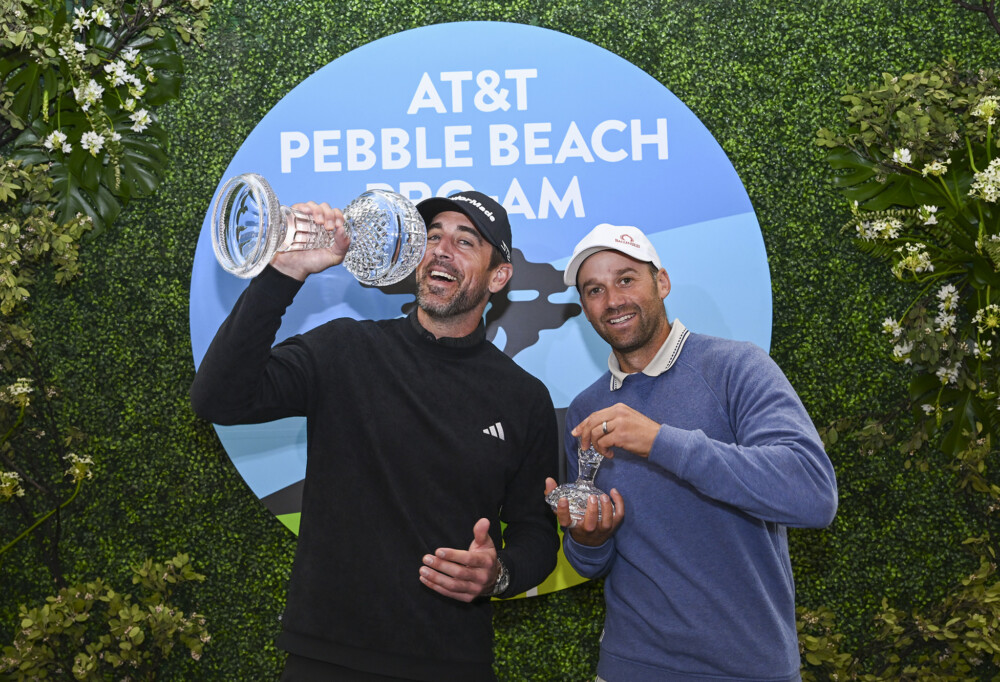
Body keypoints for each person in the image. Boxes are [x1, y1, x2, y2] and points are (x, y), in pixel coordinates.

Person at [190, 190, 559, 681]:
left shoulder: (524, 398)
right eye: (432, 237)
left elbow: (537, 532)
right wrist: (285, 272)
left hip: (452, 663)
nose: (441, 250)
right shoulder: (346, 348)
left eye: (465, 241)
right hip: (326, 658)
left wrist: (499, 574)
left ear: (499, 276)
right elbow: (218, 399)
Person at [545, 223, 838, 682]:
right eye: (594, 289)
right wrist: (588, 538)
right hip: (630, 666)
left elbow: (813, 493)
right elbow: (591, 562)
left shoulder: (737, 367)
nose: (613, 300)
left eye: (626, 279)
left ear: (661, 282)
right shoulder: (586, 408)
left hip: (749, 668)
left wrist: (661, 441)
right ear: (584, 307)